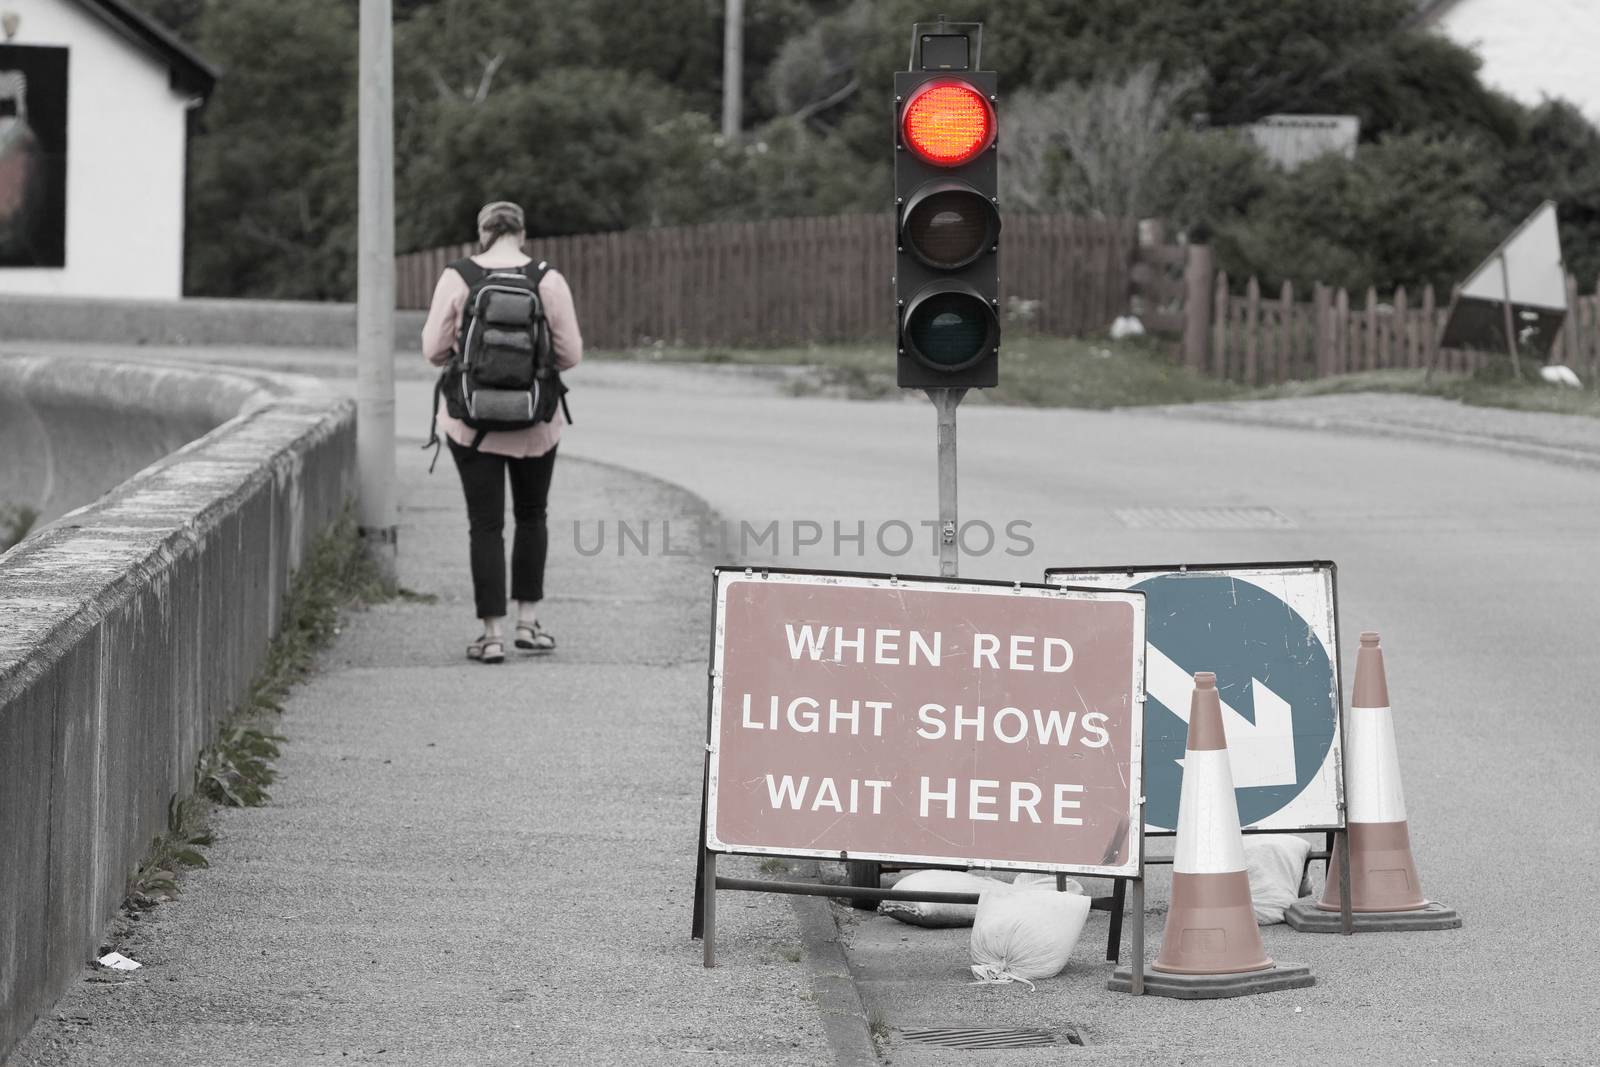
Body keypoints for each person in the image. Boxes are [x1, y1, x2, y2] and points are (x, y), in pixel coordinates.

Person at [421, 201, 582, 664]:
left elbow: (433, 349)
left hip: (472, 425)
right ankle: (528, 624)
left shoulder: (458, 276)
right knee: (532, 515)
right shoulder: (547, 279)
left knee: (485, 524)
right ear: (522, 233)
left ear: (482, 232)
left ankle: (491, 635)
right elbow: (569, 355)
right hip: (537, 422)